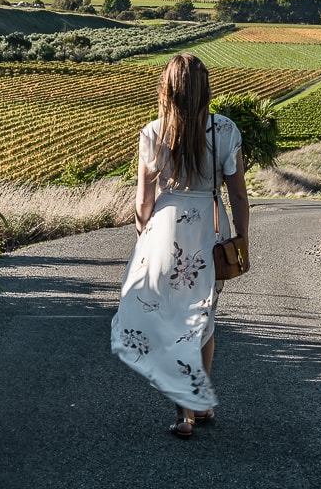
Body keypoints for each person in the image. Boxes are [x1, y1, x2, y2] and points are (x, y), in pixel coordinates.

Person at [110, 53, 250, 438]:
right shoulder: (226, 131)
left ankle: (185, 412)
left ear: (167, 88)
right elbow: (238, 196)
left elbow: (143, 200)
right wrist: (241, 237)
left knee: (172, 319)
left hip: (164, 232)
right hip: (209, 229)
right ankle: (198, 405)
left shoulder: (153, 132)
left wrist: (144, 238)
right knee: (203, 317)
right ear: (205, 89)